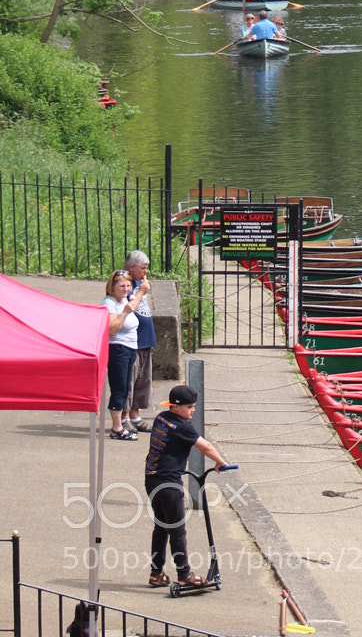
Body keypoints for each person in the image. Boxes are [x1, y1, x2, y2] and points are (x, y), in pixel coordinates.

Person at [145, 384, 231, 590]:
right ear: (175, 407)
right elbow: (206, 446)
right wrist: (220, 462)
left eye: (193, 406)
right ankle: (184, 574)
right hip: (169, 483)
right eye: (189, 407)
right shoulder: (182, 426)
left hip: (152, 479)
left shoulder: (161, 418)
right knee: (177, 530)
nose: (192, 410)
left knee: (161, 527)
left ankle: (156, 573)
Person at [103, 270, 149, 438]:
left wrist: (141, 291)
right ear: (112, 286)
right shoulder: (109, 304)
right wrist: (124, 312)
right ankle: (117, 428)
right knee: (119, 388)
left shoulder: (124, 300)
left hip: (130, 348)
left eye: (128, 286)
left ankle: (119, 426)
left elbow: (133, 306)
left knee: (125, 387)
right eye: (121, 285)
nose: (125, 289)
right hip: (118, 349)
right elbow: (112, 329)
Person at [122, 251, 156, 434]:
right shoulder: (125, 284)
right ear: (131, 268)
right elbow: (130, 307)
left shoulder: (140, 283)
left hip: (145, 338)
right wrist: (142, 292)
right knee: (130, 380)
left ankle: (136, 416)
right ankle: (125, 416)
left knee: (143, 379)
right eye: (142, 268)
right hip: (131, 341)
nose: (145, 272)